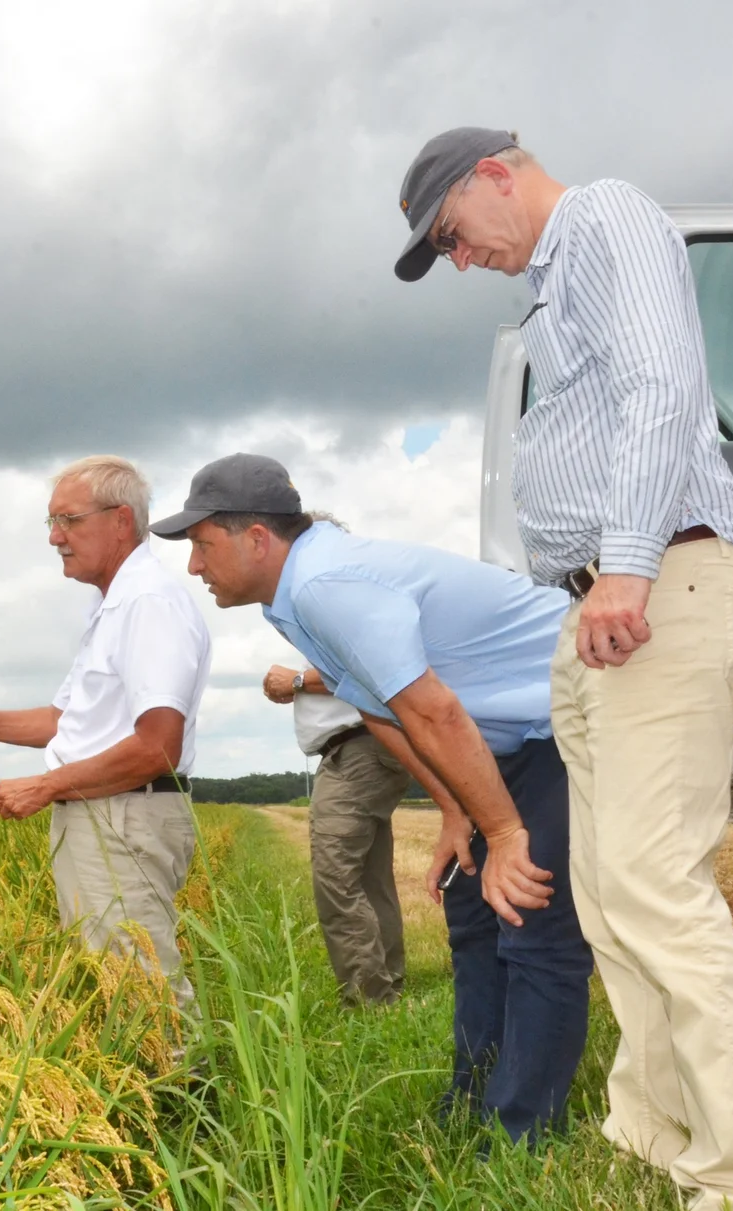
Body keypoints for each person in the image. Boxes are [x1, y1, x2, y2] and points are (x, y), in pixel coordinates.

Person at [394, 128, 733, 1210]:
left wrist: (622, 567)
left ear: (496, 170)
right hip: (600, 609)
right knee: (606, 891)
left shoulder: (607, 215)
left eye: (451, 233)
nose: (459, 257)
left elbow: (664, 389)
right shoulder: (551, 282)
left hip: (660, 584)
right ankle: (652, 1124)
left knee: (654, 887)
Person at [151, 452, 592, 1144]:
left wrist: (503, 833)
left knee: (532, 918)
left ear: (256, 538)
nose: (194, 566)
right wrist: (454, 813)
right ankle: (474, 1100)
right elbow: (386, 711)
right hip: (502, 742)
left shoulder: (328, 584)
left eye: (203, 545)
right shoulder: (290, 600)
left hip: (572, 709)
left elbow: (435, 709)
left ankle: (522, 1134)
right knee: (475, 919)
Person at [0, 455, 212, 1005]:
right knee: (111, 981)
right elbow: (63, 724)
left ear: (120, 521)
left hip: (122, 813)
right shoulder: (113, 605)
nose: (54, 538)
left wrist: (45, 786)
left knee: (138, 986)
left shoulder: (148, 603)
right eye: (51, 523)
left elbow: (158, 745)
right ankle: (153, 1084)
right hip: (107, 810)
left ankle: (185, 1089)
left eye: (68, 521)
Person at [262, 662, 410, 1005]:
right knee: (370, 878)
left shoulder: (329, 609)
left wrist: (297, 681)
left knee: (336, 877)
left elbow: (364, 669)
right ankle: (386, 980)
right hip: (368, 745)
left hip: (357, 748)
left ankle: (368, 997)